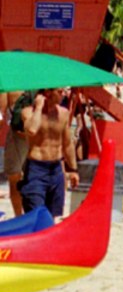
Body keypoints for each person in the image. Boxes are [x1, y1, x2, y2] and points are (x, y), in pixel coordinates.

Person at [17, 88, 78, 217]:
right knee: (35, 214)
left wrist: (73, 169)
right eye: (60, 92)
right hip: (36, 169)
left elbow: (67, 144)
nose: (64, 95)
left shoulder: (63, 113)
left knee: (53, 215)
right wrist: (39, 107)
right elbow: (32, 129)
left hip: (56, 169)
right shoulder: (28, 112)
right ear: (48, 93)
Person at [2, 91, 29, 216]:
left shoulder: (11, 81)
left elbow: (1, 117)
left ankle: (19, 217)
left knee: (14, 177)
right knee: (36, 175)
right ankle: (34, 215)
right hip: (39, 132)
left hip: (17, 135)